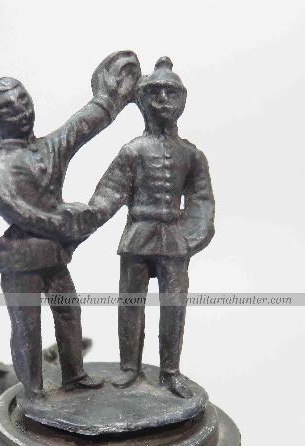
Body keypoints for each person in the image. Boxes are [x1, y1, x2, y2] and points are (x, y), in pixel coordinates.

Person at [0, 51, 140, 402]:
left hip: (53, 257)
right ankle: (34, 391)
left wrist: (111, 98)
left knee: (68, 312)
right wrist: (66, 223)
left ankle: (74, 375)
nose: (20, 111)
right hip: (21, 262)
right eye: (7, 108)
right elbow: (21, 212)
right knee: (27, 326)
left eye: (23, 101)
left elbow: (80, 127)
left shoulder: (47, 149)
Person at [89, 57, 215, 398]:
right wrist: (84, 218)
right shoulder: (133, 151)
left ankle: (170, 372)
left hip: (174, 238)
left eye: (171, 93)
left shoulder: (192, 155)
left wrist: (192, 236)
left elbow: (202, 201)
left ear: (182, 100)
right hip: (138, 235)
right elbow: (108, 194)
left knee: (174, 307)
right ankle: (130, 368)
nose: (163, 100)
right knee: (131, 304)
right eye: (155, 93)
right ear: (142, 100)